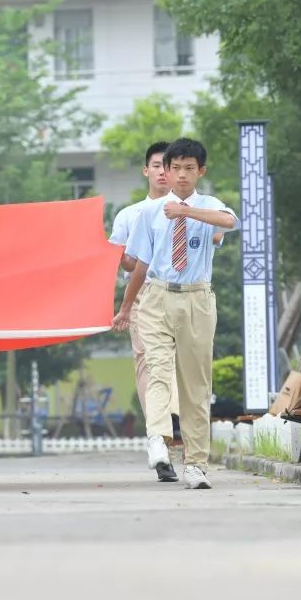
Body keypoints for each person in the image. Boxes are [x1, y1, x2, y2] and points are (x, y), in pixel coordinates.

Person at [111, 138, 239, 490]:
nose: (182, 175)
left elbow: (229, 222)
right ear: (164, 171)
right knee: (157, 370)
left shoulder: (209, 205)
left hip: (197, 298)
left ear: (201, 171)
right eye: (175, 168)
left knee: (196, 386)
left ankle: (196, 463)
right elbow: (140, 265)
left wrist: (186, 212)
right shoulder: (148, 213)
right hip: (156, 297)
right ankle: (157, 436)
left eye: (189, 168)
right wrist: (125, 307)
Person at [109, 141, 180, 483]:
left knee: (181, 365)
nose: (164, 172)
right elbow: (122, 260)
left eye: (170, 165)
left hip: (183, 295)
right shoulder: (129, 215)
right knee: (149, 362)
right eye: (157, 165)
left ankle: (171, 431)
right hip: (143, 295)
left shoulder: (189, 209)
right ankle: (158, 440)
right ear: (147, 170)